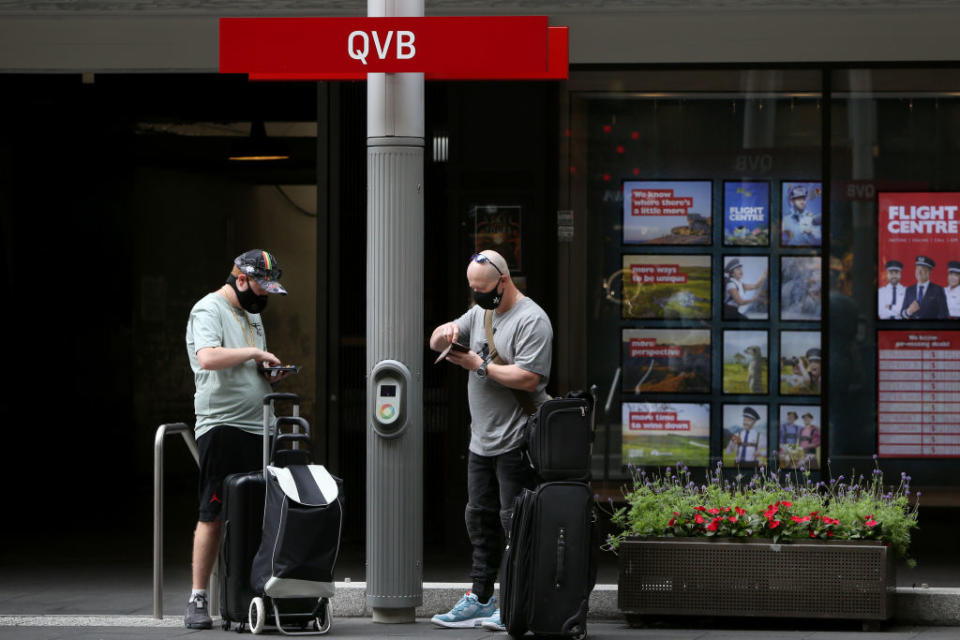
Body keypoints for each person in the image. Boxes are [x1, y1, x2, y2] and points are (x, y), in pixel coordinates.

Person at [428, 250, 553, 631]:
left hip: (517, 441)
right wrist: (446, 333)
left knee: (516, 524)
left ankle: (516, 601)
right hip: (480, 442)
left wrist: (479, 365)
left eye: (482, 289)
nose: (477, 295)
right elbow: (435, 341)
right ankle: (481, 597)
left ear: (503, 281)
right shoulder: (480, 313)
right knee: (479, 521)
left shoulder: (532, 319)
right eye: (472, 289)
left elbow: (530, 378)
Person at [183, 250, 290, 629]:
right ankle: (198, 597)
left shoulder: (254, 314)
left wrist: (268, 372)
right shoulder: (208, 309)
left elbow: (247, 364)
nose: (264, 298)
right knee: (213, 510)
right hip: (223, 423)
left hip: (262, 423)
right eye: (261, 287)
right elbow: (208, 357)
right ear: (240, 280)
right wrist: (255, 352)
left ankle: (253, 589)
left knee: (264, 511)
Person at [901, 255, 949, 319]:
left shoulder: (938, 290)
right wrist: (908, 312)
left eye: (923, 269)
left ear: (929, 272)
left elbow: (944, 315)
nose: (919, 272)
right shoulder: (909, 290)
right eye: (917, 268)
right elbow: (902, 315)